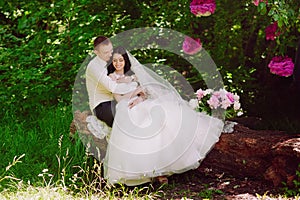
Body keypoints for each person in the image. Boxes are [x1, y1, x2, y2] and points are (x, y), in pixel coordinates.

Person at [102, 46, 224, 186]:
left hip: (139, 102)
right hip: (126, 106)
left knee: (164, 114)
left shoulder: (133, 75)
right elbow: (119, 98)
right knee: (141, 125)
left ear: (126, 61)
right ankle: (148, 171)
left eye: (121, 60)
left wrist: (140, 98)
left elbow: (144, 94)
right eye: (115, 60)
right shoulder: (111, 78)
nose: (118, 63)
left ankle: (163, 167)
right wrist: (136, 92)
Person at [85, 36, 143, 127]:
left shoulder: (112, 58)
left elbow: (136, 71)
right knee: (124, 119)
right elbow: (113, 87)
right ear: (96, 52)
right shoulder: (94, 67)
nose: (109, 54)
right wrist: (136, 89)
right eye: (106, 52)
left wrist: (132, 80)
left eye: (111, 50)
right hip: (102, 104)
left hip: (118, 99)